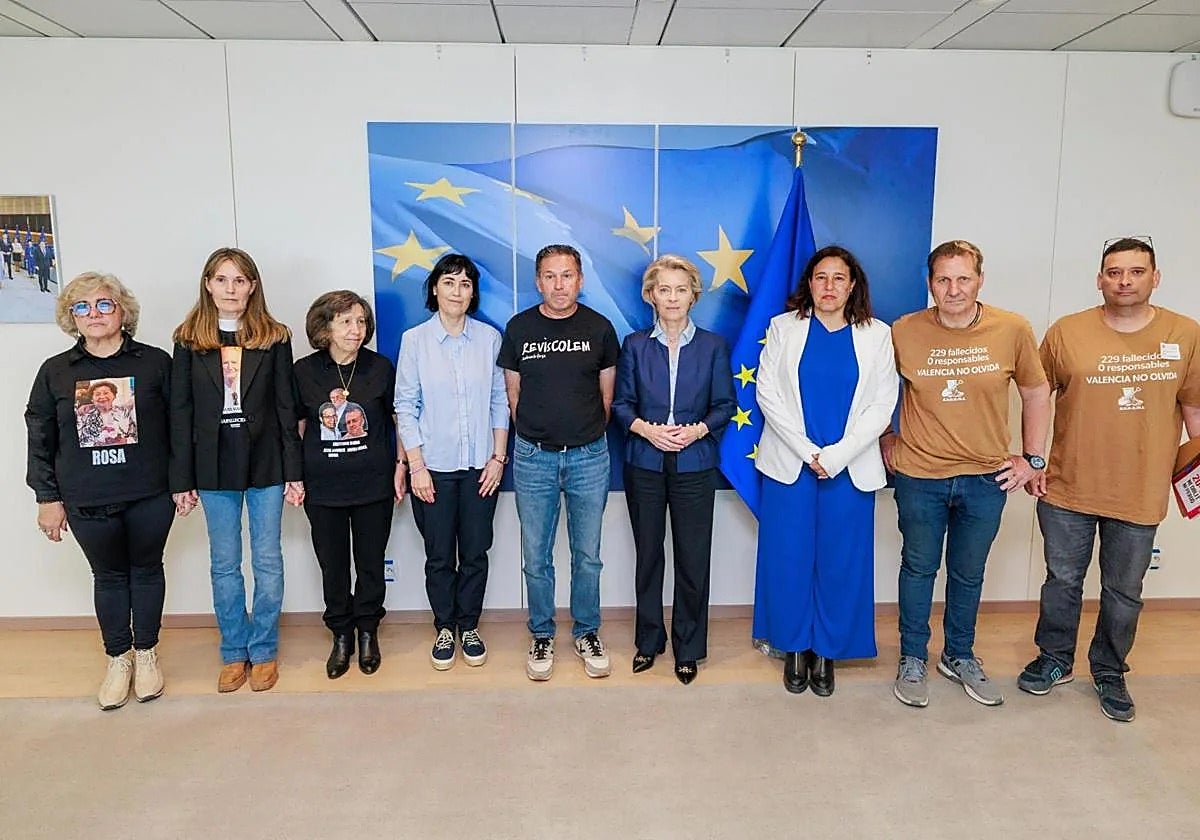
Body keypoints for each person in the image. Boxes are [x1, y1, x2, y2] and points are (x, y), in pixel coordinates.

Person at [1018, 237, 1200, 722]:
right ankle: (1054, 659)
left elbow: (1194, 404)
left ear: (1155, 277)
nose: (1124, 281)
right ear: (1100, 278)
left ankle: (1110, 669)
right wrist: (1033, 460)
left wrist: (1195, 472)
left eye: (1136, 272)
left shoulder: (1185, 334)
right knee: (1062, 582)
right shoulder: (1067, 332)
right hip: (1067, 486)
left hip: (1141, 487)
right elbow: (1035, 393)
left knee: (1124, 591)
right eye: (1114, 272)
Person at [883, 239, 1050, 709]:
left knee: (968, 572)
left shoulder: (1012, 328)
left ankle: (958, 655)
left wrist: (1031, 458)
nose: (953, 289)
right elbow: (874, 387)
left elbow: (1037, 393)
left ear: (980, 279)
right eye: (943, 279)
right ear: (930, 282)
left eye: (963, 278)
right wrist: (884, 437)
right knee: (918, 568)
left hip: (985, 478)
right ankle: (912, 657)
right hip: (920, 474)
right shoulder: (904, 330)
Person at [753, 246, 899, 697]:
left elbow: (882, 404)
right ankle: (794, 647)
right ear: (809, 284)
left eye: (839, 278)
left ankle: (828, 651)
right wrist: (807, 451)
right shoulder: (783, 327)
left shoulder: (878, 334)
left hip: (849, 468)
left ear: (853, 284)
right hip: (791, 465)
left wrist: (836, 456)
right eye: (821, 277)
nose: (829, 286)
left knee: (841, 561)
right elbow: (767, 393)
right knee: (788, 556)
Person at [25, 272, 175, 710]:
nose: (94, 314)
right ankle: (118, 659)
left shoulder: (155, 363)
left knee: (147, 571)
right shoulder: (55, 372)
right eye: (82, 307)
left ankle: (146, 654)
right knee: (108, 577)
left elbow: (181, 430)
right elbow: (40, 438)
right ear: (71, 317)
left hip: (150, 492)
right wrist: (47, 498)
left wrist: (182, 485)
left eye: (104, 304)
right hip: (86, 496)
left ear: (123, 311)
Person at [170, 247, 304, 694]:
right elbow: (180, 413)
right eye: (222, 279)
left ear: (252, 287)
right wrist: (182, 479)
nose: (231, 288)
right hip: (212, 467)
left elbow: (287, 408)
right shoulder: (189, 339)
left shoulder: (274, 335)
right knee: (224, 564)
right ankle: (234, 651)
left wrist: (294, 471)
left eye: (240, 280)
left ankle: (263, 650)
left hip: (266, 462)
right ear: (208, 284)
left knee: (267, 560)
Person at [498, 244, 620, 681]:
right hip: (533, 458)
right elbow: (513, 396)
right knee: (537, 556)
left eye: (567, 275)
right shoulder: (518, 328)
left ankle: (587, 631)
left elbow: (607, 398)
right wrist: (541, 434)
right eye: (550, 276)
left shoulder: (599, 328)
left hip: (589, 456)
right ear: (538, 281)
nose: (559, 284)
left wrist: (579, 435)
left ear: (580, 280)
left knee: (588, 555)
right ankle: (542, 633)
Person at [612, 254, 735, 684]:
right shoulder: (634, 344)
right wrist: (647, 430)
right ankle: (649, 642)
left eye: (681, 289)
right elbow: (621, 405)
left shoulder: (714, 346)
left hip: (695, 464)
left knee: (692, 558)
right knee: (649, 556)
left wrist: (697, 431)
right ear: (651, 295)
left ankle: (688, 647)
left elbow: (725, 405)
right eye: (663, 289)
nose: (672, 297)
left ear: (694, 296)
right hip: (644, 463)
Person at [395, 254, 509, 671]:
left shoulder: (489, 340)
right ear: (434, 289)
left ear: (473, 292)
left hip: (481, 467)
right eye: (449, 282)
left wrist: (498, 458)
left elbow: (500, 402)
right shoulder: (415, 341)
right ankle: (445, 626)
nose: (457, 291)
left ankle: (469, 625)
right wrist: (417, 466)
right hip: (434, 470)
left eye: (465, 283)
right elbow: (405, 406)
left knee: (476, 551)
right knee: (439, 554)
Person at [294, 290, 405, 679]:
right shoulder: (304, 371)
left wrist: (401, 465)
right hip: (323, 489)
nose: (355, 330)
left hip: (374, 485)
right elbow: (299, 427)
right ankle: (341, 635)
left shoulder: (380, 367)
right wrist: (296, 477)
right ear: (324, 328)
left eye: (360, 322)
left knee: (371, 564)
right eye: (345, 322)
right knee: (333, 565)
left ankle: (368, 633)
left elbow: (398, 420)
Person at [75, 379, 137, 447]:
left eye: (106, 393)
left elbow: (134, 436)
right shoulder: (84, 414)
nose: (102, 397)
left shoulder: (124, 412)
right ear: (92, 399)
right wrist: (95, 444)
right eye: (97, 394)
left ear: (114, 396)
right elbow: (78, 440)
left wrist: (125, 441)